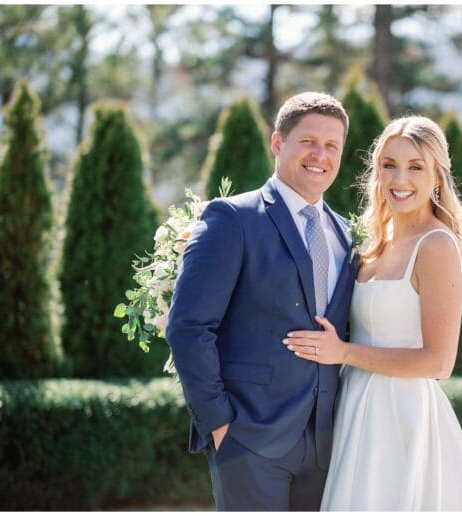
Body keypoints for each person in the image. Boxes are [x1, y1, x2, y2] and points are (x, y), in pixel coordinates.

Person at [284, 115, 462, 511]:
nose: (400, 179)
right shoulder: (375, 243)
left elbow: (439, 362)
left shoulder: (436, 246)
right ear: (376, 173)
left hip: (401, 418)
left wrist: (343, 353)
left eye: (416, 167)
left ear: (436, 177)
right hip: (353, 408)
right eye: (389, 166)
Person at [166, 92, 360, 511]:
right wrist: (219, 424)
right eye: (307, 141)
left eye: (332, 146)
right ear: (277, 143)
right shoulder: (232, 219)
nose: (319, 155)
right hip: (248, 440)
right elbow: (188, 327)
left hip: (327, 445)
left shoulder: (348, 235)